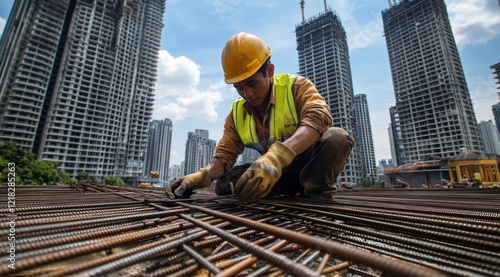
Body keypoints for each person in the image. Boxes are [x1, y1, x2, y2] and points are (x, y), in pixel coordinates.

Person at [165, 32, 353, 201]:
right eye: (239, 88)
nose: (247, 94)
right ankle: (287, 188)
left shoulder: (295, 86)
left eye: (252, 84)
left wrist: (277, 157)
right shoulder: (237, 114)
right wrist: (201, 176)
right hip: (274, 174)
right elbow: (224, 156)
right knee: (225, 185)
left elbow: (318, 115)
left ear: (269, 71)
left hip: (312, 167)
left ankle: (316, 193)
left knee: (337, 138)